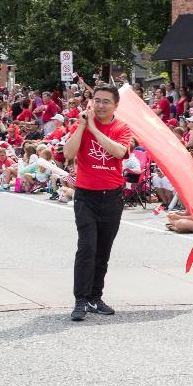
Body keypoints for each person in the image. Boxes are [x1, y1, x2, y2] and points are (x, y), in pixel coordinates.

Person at [63, 84, 132, 322]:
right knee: (87, 247)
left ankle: (95, 297)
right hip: (86, 196)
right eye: (97, 100)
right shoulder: (81, 124)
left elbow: (119, 152)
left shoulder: (121, 127)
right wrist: (83, 127)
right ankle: (80, 300)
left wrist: (94, 128)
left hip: (112, 197)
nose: (100, 105)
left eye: (106, 102)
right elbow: (68, 153)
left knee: (103, 249)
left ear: (115, 105)